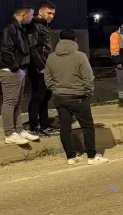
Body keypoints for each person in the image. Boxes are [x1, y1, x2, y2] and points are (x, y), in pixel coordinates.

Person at [43, 29, 108, 164]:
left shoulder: (51, 57)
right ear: (75, 40)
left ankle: (70, 157)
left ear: (59, 40)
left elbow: (48, 78)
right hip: (79, 96)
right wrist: (88, 93)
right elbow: (88, 77)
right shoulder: (80, 56)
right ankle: (91, 156)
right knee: (87, 127)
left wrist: (56, 89)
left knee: (65, 127)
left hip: (60, 97)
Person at [0, 2, 39, 145]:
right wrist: (15, 67)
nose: (32, 17)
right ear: (23, 15)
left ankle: (18, 130)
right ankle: (9, 133)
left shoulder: (18, 27)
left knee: (17, 102)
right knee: (10, 101)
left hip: (17, 69)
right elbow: (6, 50)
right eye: (31, 15)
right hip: (9, 70)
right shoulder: (10, 28)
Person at [26, 0, 57, 137]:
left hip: (46, 66)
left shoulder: (45, 26)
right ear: (40, 12)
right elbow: (32, 47)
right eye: (49, 13)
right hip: (38, 68)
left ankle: (45, 124)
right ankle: (34, 126)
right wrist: (40, 66)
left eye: (53, 14)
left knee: (45, 96)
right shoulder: (34, 25)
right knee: (38, 96)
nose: (51, 16)